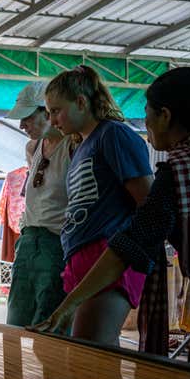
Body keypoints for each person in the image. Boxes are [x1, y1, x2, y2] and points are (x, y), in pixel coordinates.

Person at [35, 67, 190, 371]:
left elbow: (133, 240)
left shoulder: (179, 173)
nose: (145, 124)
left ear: (165, 116)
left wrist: (70, 304)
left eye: (147, 114)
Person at [38, 65, 153, 346]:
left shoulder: (113, 135)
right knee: (88, 353)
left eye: (56, 110)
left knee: (93, 349)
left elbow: (148, 204)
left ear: (81, 102)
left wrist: (120, 255)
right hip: (84, 256)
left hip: (108, 256)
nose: (52, 120)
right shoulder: (81, 145)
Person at [4, 81, 72, 328]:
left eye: (28, 118)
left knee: (49, 327)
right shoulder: (33, 148)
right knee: (15, 323)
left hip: (56, 244)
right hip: (28, 241)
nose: (22, 125)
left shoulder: (74, 146)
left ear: (49, 112)